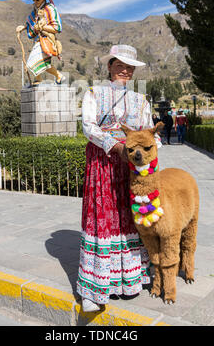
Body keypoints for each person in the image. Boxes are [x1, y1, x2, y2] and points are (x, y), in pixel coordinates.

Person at [77, 44, 162, 312]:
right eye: (119, 65)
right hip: (103, 162)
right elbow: (89, 127)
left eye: (129, 67)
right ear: (109, 66)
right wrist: (114, 146)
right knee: (103, 216)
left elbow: (150, 132)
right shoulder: (93, 93)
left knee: (130, 215)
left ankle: (131, 280)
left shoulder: (141, 101)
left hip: (132, 166)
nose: (124, 70)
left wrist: (149, 146)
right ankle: (95, 288)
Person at [16, 0, 65, 85]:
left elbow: (57, 28)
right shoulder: (34, 12)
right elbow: (31, 24)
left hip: (46, 40)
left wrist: (42, 27)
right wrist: (24, 27)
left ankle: (40, 79)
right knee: (43, 63)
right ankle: (58, 76)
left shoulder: (50, 9)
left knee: (32, 62)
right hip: (38, 41)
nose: (35, 1)